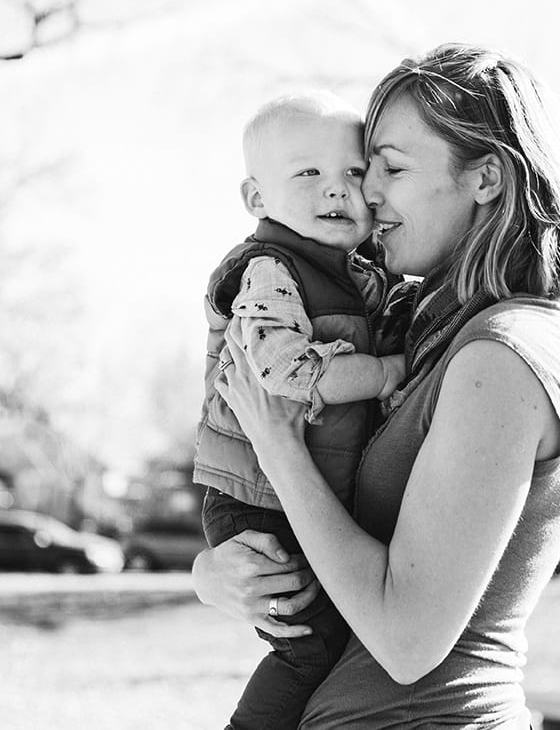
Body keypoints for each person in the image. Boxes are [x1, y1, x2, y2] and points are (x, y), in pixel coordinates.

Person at [196, 43, 560, 727]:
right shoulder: (438, 329)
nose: (364, 192)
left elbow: (405, 639)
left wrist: (274, 443)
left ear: (485, 177)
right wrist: (220, 572)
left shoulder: (503, 355)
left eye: (388, 168)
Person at [193, 91, 407, 729]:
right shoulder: (269, 270)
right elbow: (284, 370)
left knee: (335, 637)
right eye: (308, 174)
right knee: (309, 651)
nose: (336, 191)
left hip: (297, 494)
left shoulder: (358, 275)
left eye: (350, 173)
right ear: (258, 200)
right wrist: (385, 373)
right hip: (257, 500)